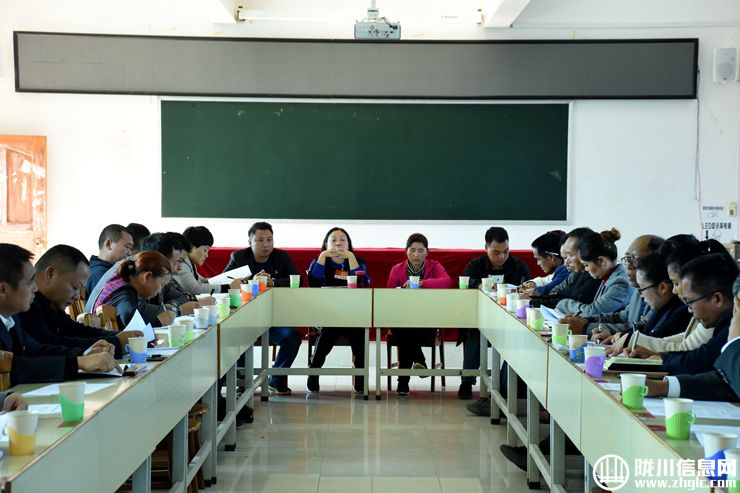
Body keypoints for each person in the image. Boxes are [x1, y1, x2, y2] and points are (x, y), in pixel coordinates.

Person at [0, 244, 120, 385]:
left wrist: (84, 354)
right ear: (3, 290)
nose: (35, 288)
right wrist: (77, 362)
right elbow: (16, 367)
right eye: (29, 283)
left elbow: (37, 350)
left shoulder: (12, 318)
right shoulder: (25, 312)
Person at [19, 245, 143, 358]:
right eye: (74, 287)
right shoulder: (26, 307)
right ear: (50, 274)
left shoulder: (51, 306)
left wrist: (118, 336)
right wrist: (115, 342)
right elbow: (48, 343)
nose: (78, 296)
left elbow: (78, 331)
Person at [223, 222, 301, 395]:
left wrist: (273, 282)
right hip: (246, 319)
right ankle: (243, 380)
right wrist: (251, 282)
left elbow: (297, 280)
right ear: (249, 242)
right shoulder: (239, 257)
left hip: (274, 318)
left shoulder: (281, 257)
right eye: (259, 240)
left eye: (269, 240)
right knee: (238, 337)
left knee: (293, 338)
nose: (266, 244)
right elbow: (224, 281)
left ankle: (276, 378)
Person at [458, 227, 530, 400]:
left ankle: (504, 387)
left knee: (518, 339)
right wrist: (479, 285)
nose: (501, 257)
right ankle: (467, 381)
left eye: (506, 252)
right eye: (496, 252)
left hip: (511, 321)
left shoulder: (519, 266)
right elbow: (464, 281)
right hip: (482, 320)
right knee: (475, 334)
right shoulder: (476, 265)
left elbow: (527, 287)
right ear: (486, 248)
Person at [646, 275, 740, 401]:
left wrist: (734, 342)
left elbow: (699, 362)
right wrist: (662, 387)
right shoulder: (724, 322)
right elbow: (728, 380)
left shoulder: (728, 325)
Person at [306, 227, 370, 394]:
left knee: (359, 335)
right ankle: (313, 372)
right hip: (328, 316)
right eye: (333, 240)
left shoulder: (357, 260)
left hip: (353, 316)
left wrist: (351, 258)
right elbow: (313, 284)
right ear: (326, 244)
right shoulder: (319, 260)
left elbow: (363, 285)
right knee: (327, 332)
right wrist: (322, 256)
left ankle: (360, 380)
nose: (338, 243)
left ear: (348, 244)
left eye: (342, 240)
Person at [386, 233, 451, 396]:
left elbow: (446, 281)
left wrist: (421, 283)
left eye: (421, 250)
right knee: (404, 329)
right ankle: (420, 361)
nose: (416, 255)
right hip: (402, 319)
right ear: (406, 251)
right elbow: (388, 296)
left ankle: (403, 383)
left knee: (406, 333)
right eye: (412, 250)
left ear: (427, 252)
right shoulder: (397, 269)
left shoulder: (434, 266)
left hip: (426, 319)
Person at [565, 234, 664, 338]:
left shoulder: (657, 292)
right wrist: (587, 320)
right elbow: (622, 317)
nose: (628, 265)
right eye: (627, 259)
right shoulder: (637, 288)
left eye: (635, 260)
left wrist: (586, 327)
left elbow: (641, 328)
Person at [555, 228, 631, 318]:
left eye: (586, 265)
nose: (586, 270)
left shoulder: (620, 283)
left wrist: (563, 303)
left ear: (601, 261)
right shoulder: (608, 277)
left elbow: (592, 312)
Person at [90, 250, 176, 328]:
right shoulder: (123, 289)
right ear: (147, 276)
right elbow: (129, 317)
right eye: (162, 285)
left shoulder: (124, 283)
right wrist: (158, 321)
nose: (160, 291)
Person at [176, 226, 242, 295]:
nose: (207, 255)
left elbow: (204, 282)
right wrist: (228, 287)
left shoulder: (189, 262)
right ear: (190, 246)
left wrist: (231, 282)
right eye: (205, 250)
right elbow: (194, 288)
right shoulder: (180, 263)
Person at [85, 224, 133, 298]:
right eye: (127, 246)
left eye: (131, 248)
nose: (130, 253)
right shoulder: (100, 274)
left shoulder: (100, 269)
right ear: (109, 244)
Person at [520, 231, 568, 297]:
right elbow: (549, 279)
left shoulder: (565, 268)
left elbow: (549, 290)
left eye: (539, 259)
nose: (538, 264)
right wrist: (533, 283)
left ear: (551, 257)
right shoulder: (561, 269)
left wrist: (533, 291)